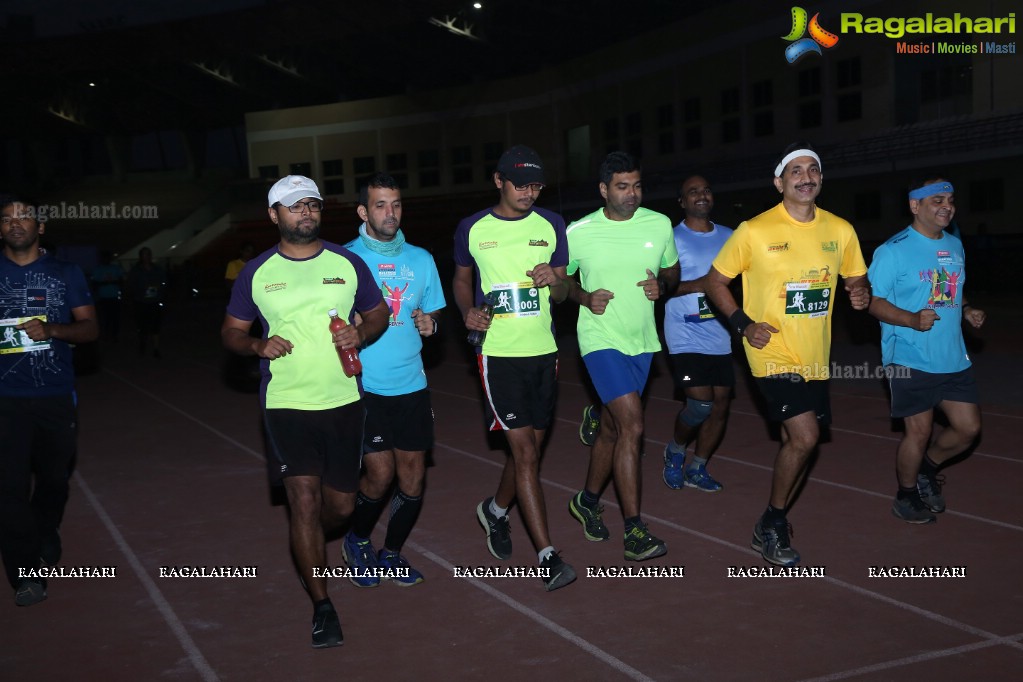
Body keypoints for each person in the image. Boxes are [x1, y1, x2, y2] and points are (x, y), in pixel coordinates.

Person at [221, 175, 389, 648]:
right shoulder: (256, 272)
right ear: (274, 215)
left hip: (344, 401)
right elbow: (231, 332)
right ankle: (322, 605)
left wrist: (363, 333)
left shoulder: (347, 262)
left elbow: (376, 313)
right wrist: (256, 342)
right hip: (286, 405)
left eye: (312, 205)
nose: (306, 213)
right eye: (295, 207)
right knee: (304, 502)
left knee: (340, 505)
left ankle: (309, 541)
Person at [703, 142, 870, 567]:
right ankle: (773, 523)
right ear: (780, 182)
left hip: (815, 355)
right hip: (771, 351)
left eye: (812, 169)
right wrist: (744, 325)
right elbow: (715, 283)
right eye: (796, 171)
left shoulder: (841, 230)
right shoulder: (754, 230)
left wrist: (859, 293)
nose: (806, 177)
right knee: (806, 436)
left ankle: (772, 517)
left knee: (793, 443)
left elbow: (856, 281)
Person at [453, 144, 576, 592]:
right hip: (498, 354)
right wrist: (467, 310)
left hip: (543, 351)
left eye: (537, 185)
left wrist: (556, 280)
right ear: (498, 181)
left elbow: (563, 294)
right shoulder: (472, 228)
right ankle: (547, 556)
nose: (530, 192)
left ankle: (495, 511)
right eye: (521, 184)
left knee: (528, 451)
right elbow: (462, 280)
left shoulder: (552, 224)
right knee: (524, 452)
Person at [563, 151, 680, 561]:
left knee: (612, 432)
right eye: (622, 186)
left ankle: (587, 501)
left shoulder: (660, 224)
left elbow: (672, 272)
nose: (632, 194)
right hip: (599, 339)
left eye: (637, 185)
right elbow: (561, 286)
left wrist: (661, 288)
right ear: (603, 189)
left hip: (643, 342)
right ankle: (635, 531)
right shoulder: (578, 232)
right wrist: (583, 296)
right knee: (633, 424)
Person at [341, 173, 445, 587]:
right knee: (380, 475)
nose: (391, 213)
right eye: (381, 205)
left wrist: (430, 324)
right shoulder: (344, 260)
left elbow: (434, 312)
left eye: (396, 204)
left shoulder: (421, 259)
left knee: (413, 477)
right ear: (364, 211)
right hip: (366, 387)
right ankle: (358, 539)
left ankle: (392, 554)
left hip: (412, 385)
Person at [867, 177, 985, 524]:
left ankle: (926, 471)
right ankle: (905, 497)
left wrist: (966, 309)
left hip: (952, 355)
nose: (946, 206)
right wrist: (910, 319)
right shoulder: (893, 250)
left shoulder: (955, 245)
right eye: (936, 200)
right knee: (918, 432)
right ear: (915, 206)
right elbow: (873, 303)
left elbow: (952, 288)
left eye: (950, 199)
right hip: (908, 355)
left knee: (968, 429)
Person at [0, 196, 99, 606]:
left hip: (55, 395)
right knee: (8, 489)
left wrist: (53, 331)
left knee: (54, 481)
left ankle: (45, 529)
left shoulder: (66, 272)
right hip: (5, 400)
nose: (15, 223)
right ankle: (27, 575)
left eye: (24, 217)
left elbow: (90, 329)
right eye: (6, 219)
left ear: (40, 227)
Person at [661, 175, 734, 492]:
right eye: (692, 192)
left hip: (721, 333)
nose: (701, 195)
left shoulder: (732, 237)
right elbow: (661, 289)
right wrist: (704, 285)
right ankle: (676, 450)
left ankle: (698, 467)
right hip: (685, 333)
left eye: (706, 189)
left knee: (720, 405)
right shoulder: (671, 239)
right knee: (700, 404)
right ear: (682, 201)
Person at [126, 246, 166, 358]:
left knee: (156, 325)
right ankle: (142, 343)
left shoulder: (157, 269)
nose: (146, 256)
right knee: (142, 325)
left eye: (148, 254)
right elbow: (131, 285)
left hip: (155, 301)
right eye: (144, 254)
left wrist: (159, 288)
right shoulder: (136, 270)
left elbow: (164, 282)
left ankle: (156, 348)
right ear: (140, 256)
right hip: (141, 302)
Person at [91, 250, 125, 342]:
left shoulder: (115, 268)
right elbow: (94, 284)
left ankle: (114, 335)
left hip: (114, 297)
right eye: (104, 257)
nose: (106, 259)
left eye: (107, 257)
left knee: (115, 317)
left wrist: (113, 282)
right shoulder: (98, 269)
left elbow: (122, 281)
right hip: (103, 298)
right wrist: (104, 283)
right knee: (105, 318)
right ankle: (106, 334)